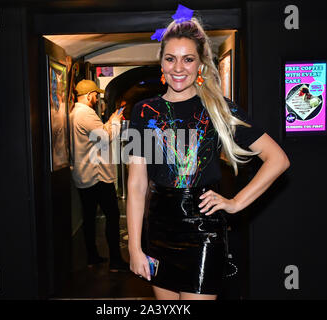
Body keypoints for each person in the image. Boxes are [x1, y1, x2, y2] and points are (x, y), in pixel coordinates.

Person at [126, 17, 290, 300]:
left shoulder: (218, 109)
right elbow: (137, 185)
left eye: (188, 59)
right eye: (171, 59)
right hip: (159, 230)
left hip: (203, 232)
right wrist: (134, 249)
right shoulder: (143, 112)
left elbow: (277, 159)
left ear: (200, 64)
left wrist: (236, 203)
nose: (179, 68)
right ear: (161, 63)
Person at [69, 79, 128, 272]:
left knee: (88, 216)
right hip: (97, 176)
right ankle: (116, 261)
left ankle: (92, 257)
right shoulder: (86, 113)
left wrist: (110, 121)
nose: (97, 98)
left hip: (84, 174)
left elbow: (99, 132)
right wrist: (117, 123)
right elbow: (104, 138)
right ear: (88, 96)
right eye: (96, 95)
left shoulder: (74, 113)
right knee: (112, 216)